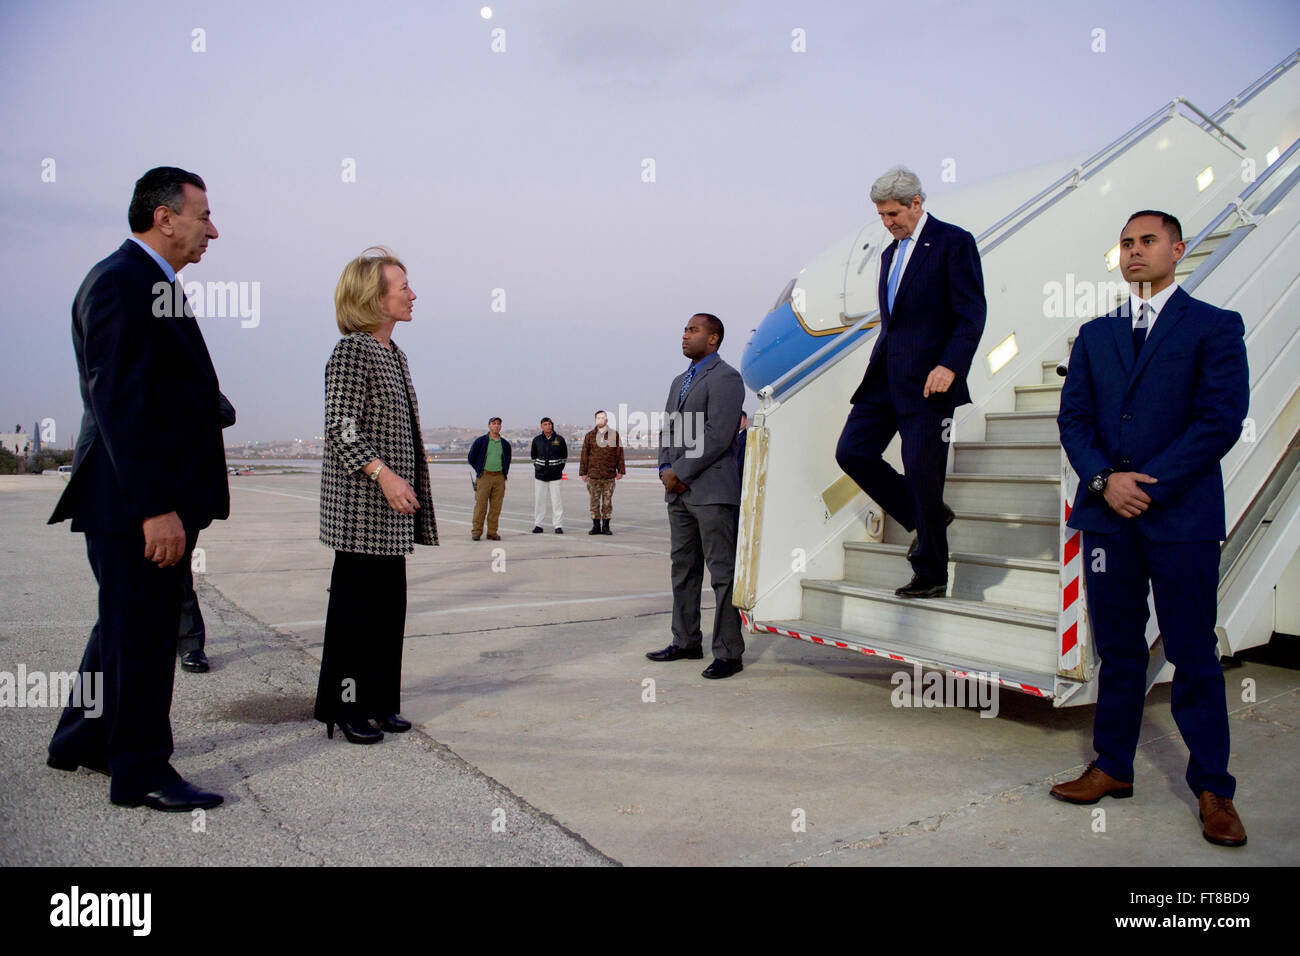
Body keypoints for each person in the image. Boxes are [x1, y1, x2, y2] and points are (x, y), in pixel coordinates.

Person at [1053, 210, 1249, 847]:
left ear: (1177, 249)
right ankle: (1113, 766)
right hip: (1108, 519)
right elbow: (1074, 421)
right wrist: (1107, 480)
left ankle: (1214, 786)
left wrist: (1148, 482)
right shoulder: (1095, 333)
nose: (1134, 251)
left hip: (1181, 517)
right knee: (1119, 649)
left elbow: (1219, 420)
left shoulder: (1214, 327)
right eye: (1126, 243)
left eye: (1147, 241)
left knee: (1193, 652)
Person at [46, 166, 227, 811]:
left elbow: (152, 387)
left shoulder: (147, 282)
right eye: (203, 215)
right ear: (164, 217)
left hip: (137, 497)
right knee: (146, 637)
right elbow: (118, 399)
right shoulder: (125, 282)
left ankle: (81, 738)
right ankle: (142, 770)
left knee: (120, 628)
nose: (213, 229)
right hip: (136, 503)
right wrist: (155, 509)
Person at [834, 166, 986, 598]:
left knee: (923, 473)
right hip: (885, 377)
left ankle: (932, 574)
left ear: (917, 203)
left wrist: (950, 365)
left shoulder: (954, 242)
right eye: (882, 216)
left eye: (894, 213)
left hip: (929, 382)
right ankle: (926, 518)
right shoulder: (888, 255)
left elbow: (971, 312)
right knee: (853, 452)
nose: (888, 223)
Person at [315, 247, 437, 745]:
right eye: (402, 285)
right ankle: (344, 708)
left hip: (392, 512)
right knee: (355, 613)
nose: (412, 294)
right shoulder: (352, 351)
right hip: (363, 507)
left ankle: (380, 701)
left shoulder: (394, 355)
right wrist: (384, 474)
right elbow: (341, 427)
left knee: (388, 610)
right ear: (373, 296)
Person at [646, 314, 747, 679]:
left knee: (722, 574)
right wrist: (663, 468)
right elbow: (669, 429)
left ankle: (728, 652)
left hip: (711, 492)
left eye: (693, 330)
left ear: (714, 338)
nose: (685, 335)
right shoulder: (679, 381)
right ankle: (686, 640)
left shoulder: (726, 378)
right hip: (679, 494)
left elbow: (718, 434)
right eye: (685, 330)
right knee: (683, 570)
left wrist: (680, 472)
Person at [177, 391, 237, 674]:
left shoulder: (195, 380)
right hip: (135, 488)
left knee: (179, 570)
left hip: (184, 492)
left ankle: (190, 644)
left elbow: (226, 412)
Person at [579, 410, 625, 534]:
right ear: (595, 420)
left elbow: (619, 453)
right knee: (594, 501)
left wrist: (620, 470)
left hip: (609, 475)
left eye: (602, 418)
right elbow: (584, 454)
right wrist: (583, 472)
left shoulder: (614, 435)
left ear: (606, 420)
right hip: (593, 475)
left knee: (607, 502)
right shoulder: (589, 436)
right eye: (598, 418)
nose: (600, 420)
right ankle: (595, 526)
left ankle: (606, 526)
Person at [468, 417, 510, 540]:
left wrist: (504, 473)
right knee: (481, 506)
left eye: (498, 424)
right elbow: (471, 457)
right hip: (484, 476)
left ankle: (492, 532)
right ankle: (476, 531)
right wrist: (480, 469)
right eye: (494, 423)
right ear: (489, 426)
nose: (496, 426)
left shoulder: (505, 444)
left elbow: (507, 459)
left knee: (496, 507)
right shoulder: (481, 441)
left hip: (499, 477)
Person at [531, 417, 567, 533]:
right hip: (540, 476)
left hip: (555, 476)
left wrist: (558, 469)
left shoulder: (559, 439)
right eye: (545, 424)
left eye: (550, 424)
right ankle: (538, 524)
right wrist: (538, 467)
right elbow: (533, 457)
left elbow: (564, 457)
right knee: (539, 501)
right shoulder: (537, 440)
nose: (548, 426)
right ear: (541, 426)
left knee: (557, 501)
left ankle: (558, 525)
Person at [735, 409, 749, 482]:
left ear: (746, 422)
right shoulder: (733, 437)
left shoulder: (746, 438)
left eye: (740, 419)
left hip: (739, 477)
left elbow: (742, 460)